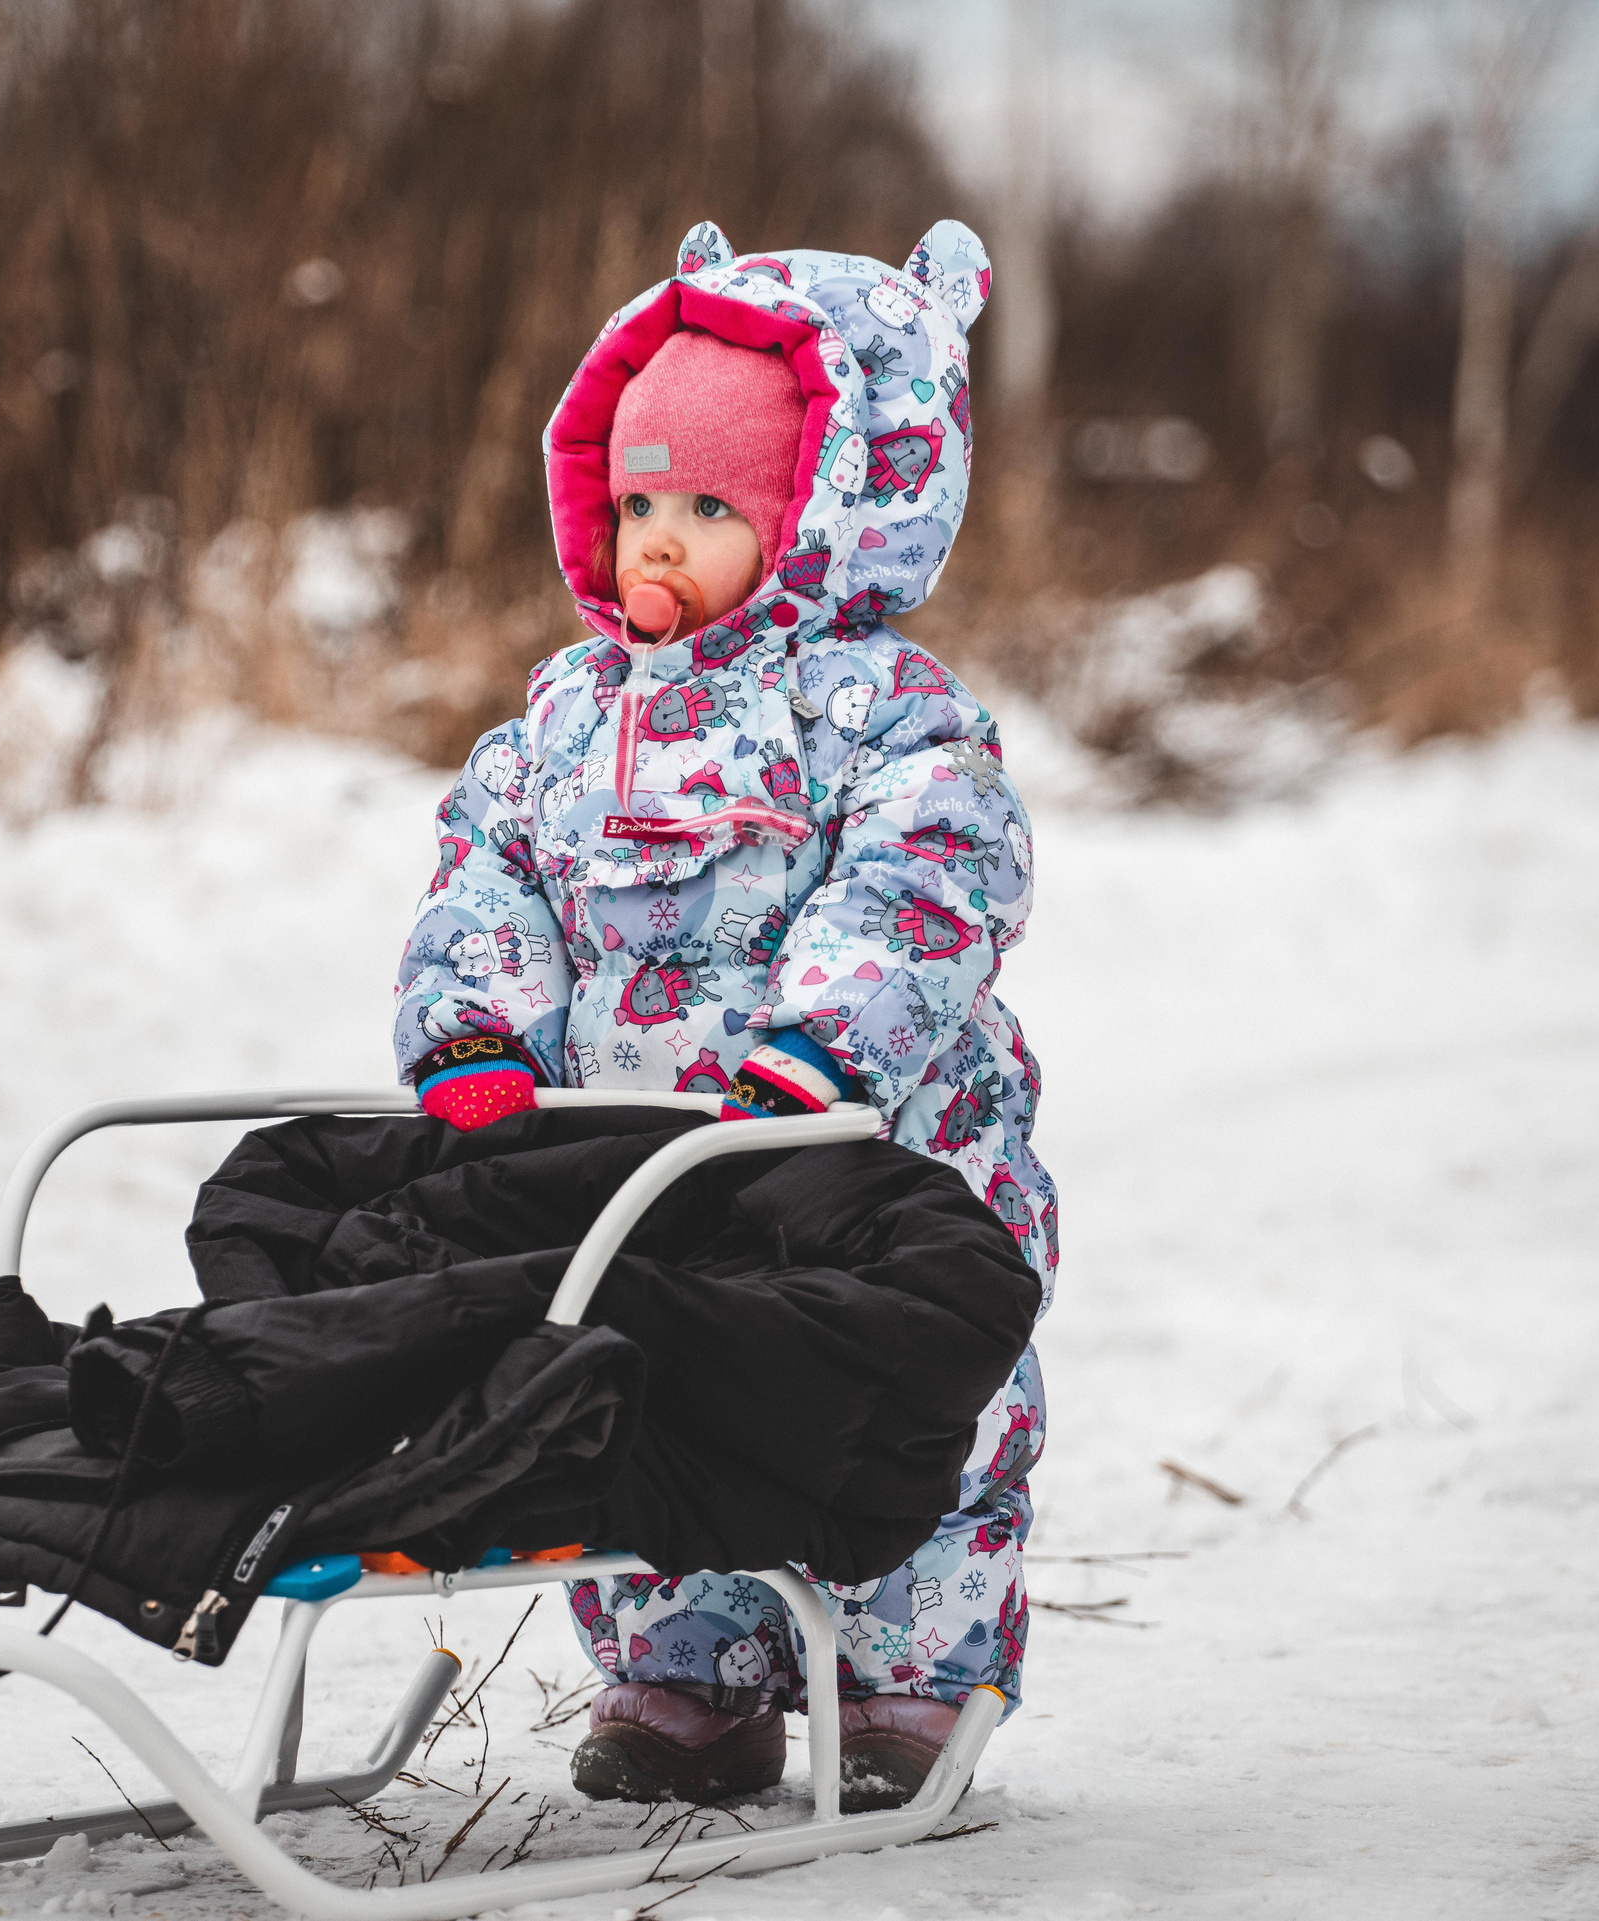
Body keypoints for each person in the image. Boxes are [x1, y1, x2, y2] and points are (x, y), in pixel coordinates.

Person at [393, 218, 1054, 1808]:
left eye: (707, 507)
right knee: (651, 1381)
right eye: (634, 504)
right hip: (642, 1158)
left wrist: (828, 1048)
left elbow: (932, 872)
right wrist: (478, 1035)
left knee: (893, 1397)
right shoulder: (565, 713)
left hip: (865, 1155)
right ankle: (687, 1668)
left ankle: (909, 1678)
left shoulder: (881, 707)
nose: (656, 545)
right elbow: (489, 870)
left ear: (827, 513)